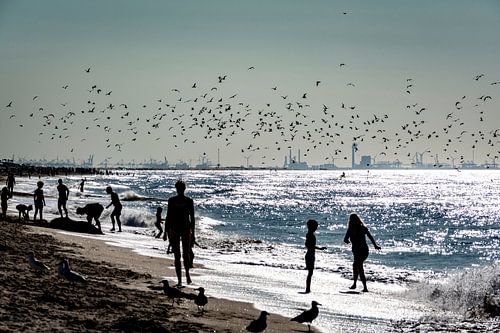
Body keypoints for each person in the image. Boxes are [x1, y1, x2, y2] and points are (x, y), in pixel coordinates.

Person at [164, 180, 195, 286]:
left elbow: (168, 217)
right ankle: (185, 275)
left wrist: (165, 232)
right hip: (183, 229)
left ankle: (181, 279)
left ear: (177, 189)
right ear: (184, 189)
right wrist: (193, 233)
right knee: (185, 254)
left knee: (178, 256)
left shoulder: (172, 200)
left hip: (176, 229)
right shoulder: (188, 201)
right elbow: (193, 218)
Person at [343, 213, 381, 292]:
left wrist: (375, 245)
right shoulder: (355, 228)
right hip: (357, 251)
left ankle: (362, 286)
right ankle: (357, 285)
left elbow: (370, 237)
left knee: (357, 266)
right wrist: (375, 245)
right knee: (357, 266)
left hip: (362, 250)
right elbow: (345, 239)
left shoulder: (359, 228)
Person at [304, 219, 326, 293]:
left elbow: (309, 245)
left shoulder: (309, 234)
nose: (316, 228)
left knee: (310, 272)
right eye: (316, 226)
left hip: (310, 254)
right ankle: (307, 288)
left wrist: (319, 248)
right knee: (310, 272)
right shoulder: (311, 235)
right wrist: (319, 248)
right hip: (310, 255)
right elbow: (309, 245)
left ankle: (308, 288)